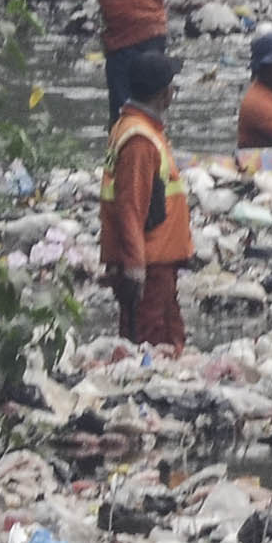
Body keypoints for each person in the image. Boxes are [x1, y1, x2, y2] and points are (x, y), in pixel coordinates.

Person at [99, 42, 194, 351]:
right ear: (162, 94)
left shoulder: (131, 127)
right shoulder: (140, 139)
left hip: (157, 263)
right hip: (150, 266)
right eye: (170, 86)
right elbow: (130, 207)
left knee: (165, 341)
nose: (173, 91)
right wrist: (135, 269)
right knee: (151, 346)